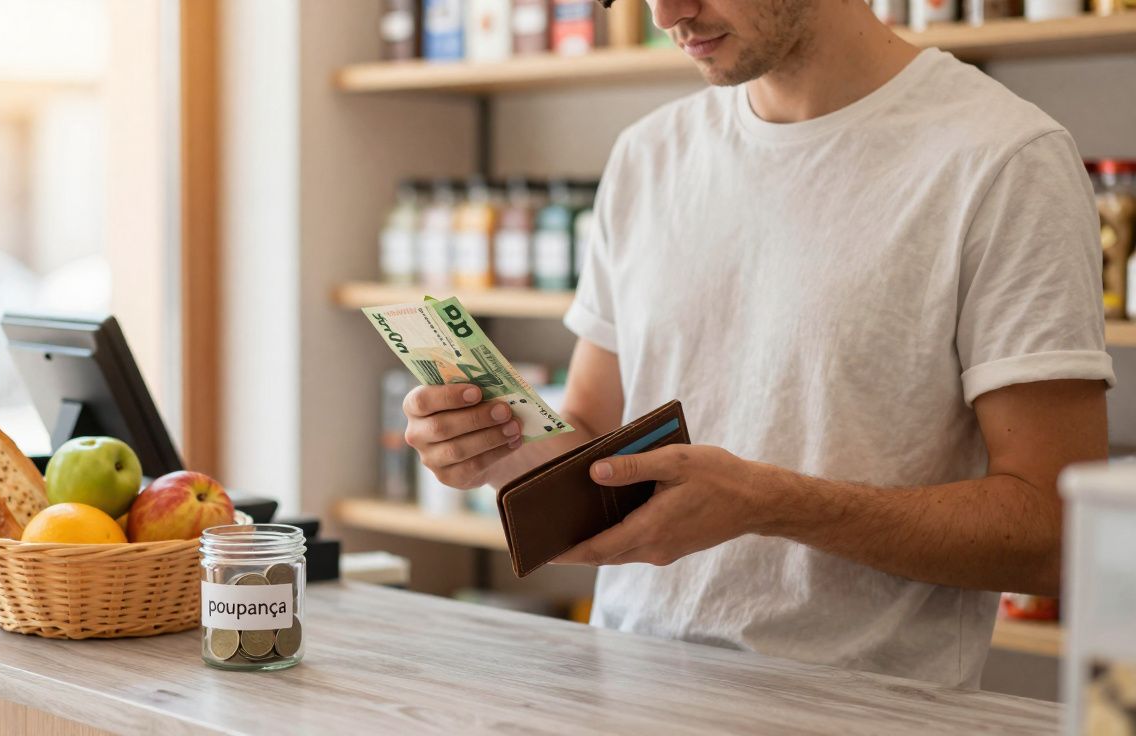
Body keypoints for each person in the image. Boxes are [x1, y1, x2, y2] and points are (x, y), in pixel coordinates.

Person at [402, 0, 1112, 688]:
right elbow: (591, 437)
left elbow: (1052, 536)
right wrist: (496, 444)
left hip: (853, 712)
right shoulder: (648, 155)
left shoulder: (1003, 158)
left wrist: (770, 502)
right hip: (623, 692)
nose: (665, 14)